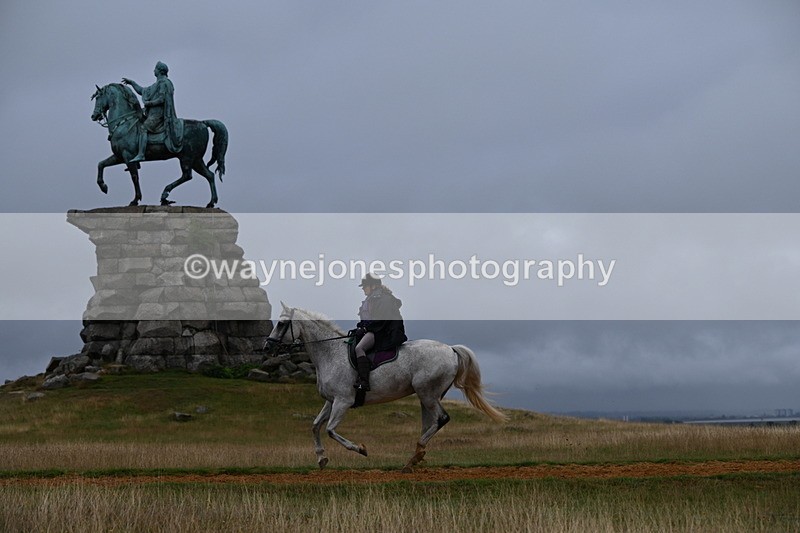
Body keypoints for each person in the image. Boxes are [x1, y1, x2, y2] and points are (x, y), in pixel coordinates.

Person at [353, 274, 407, 391]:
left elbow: (381, 320)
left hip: (385, 332)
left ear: (373, 286)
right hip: (376, 329)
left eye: (365, 286)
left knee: (359, 348)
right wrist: (359, 328)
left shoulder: (384, 299)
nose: (363, 289)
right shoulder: (372, 298)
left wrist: (365, 329)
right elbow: (368, 319)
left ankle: (364, 382)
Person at [122, 61, 184, 162]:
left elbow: (162, 99)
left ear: (159, 71)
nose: (153, 70)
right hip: (151, 114)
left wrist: (149, 103)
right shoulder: (156, 84)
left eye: (155, 69)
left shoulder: (165, 83)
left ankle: (141, 154)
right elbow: (142, 91)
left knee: (143, 128)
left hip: (159, 115)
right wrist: (132, 83)